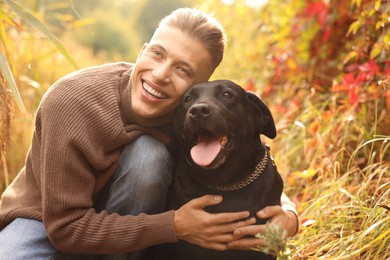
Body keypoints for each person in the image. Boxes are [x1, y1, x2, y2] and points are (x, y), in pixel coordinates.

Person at [0, 7, 298, 259]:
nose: (160, 74)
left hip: (128, 224)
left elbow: (252, 166)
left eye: (183, 70)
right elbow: (65, 227)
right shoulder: (72, 100)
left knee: (148, 154)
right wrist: (176, 226)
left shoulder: (189, 118)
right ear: (142, 50)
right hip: (46, 218)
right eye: (157, 54)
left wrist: (289, 215)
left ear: (197, 88)